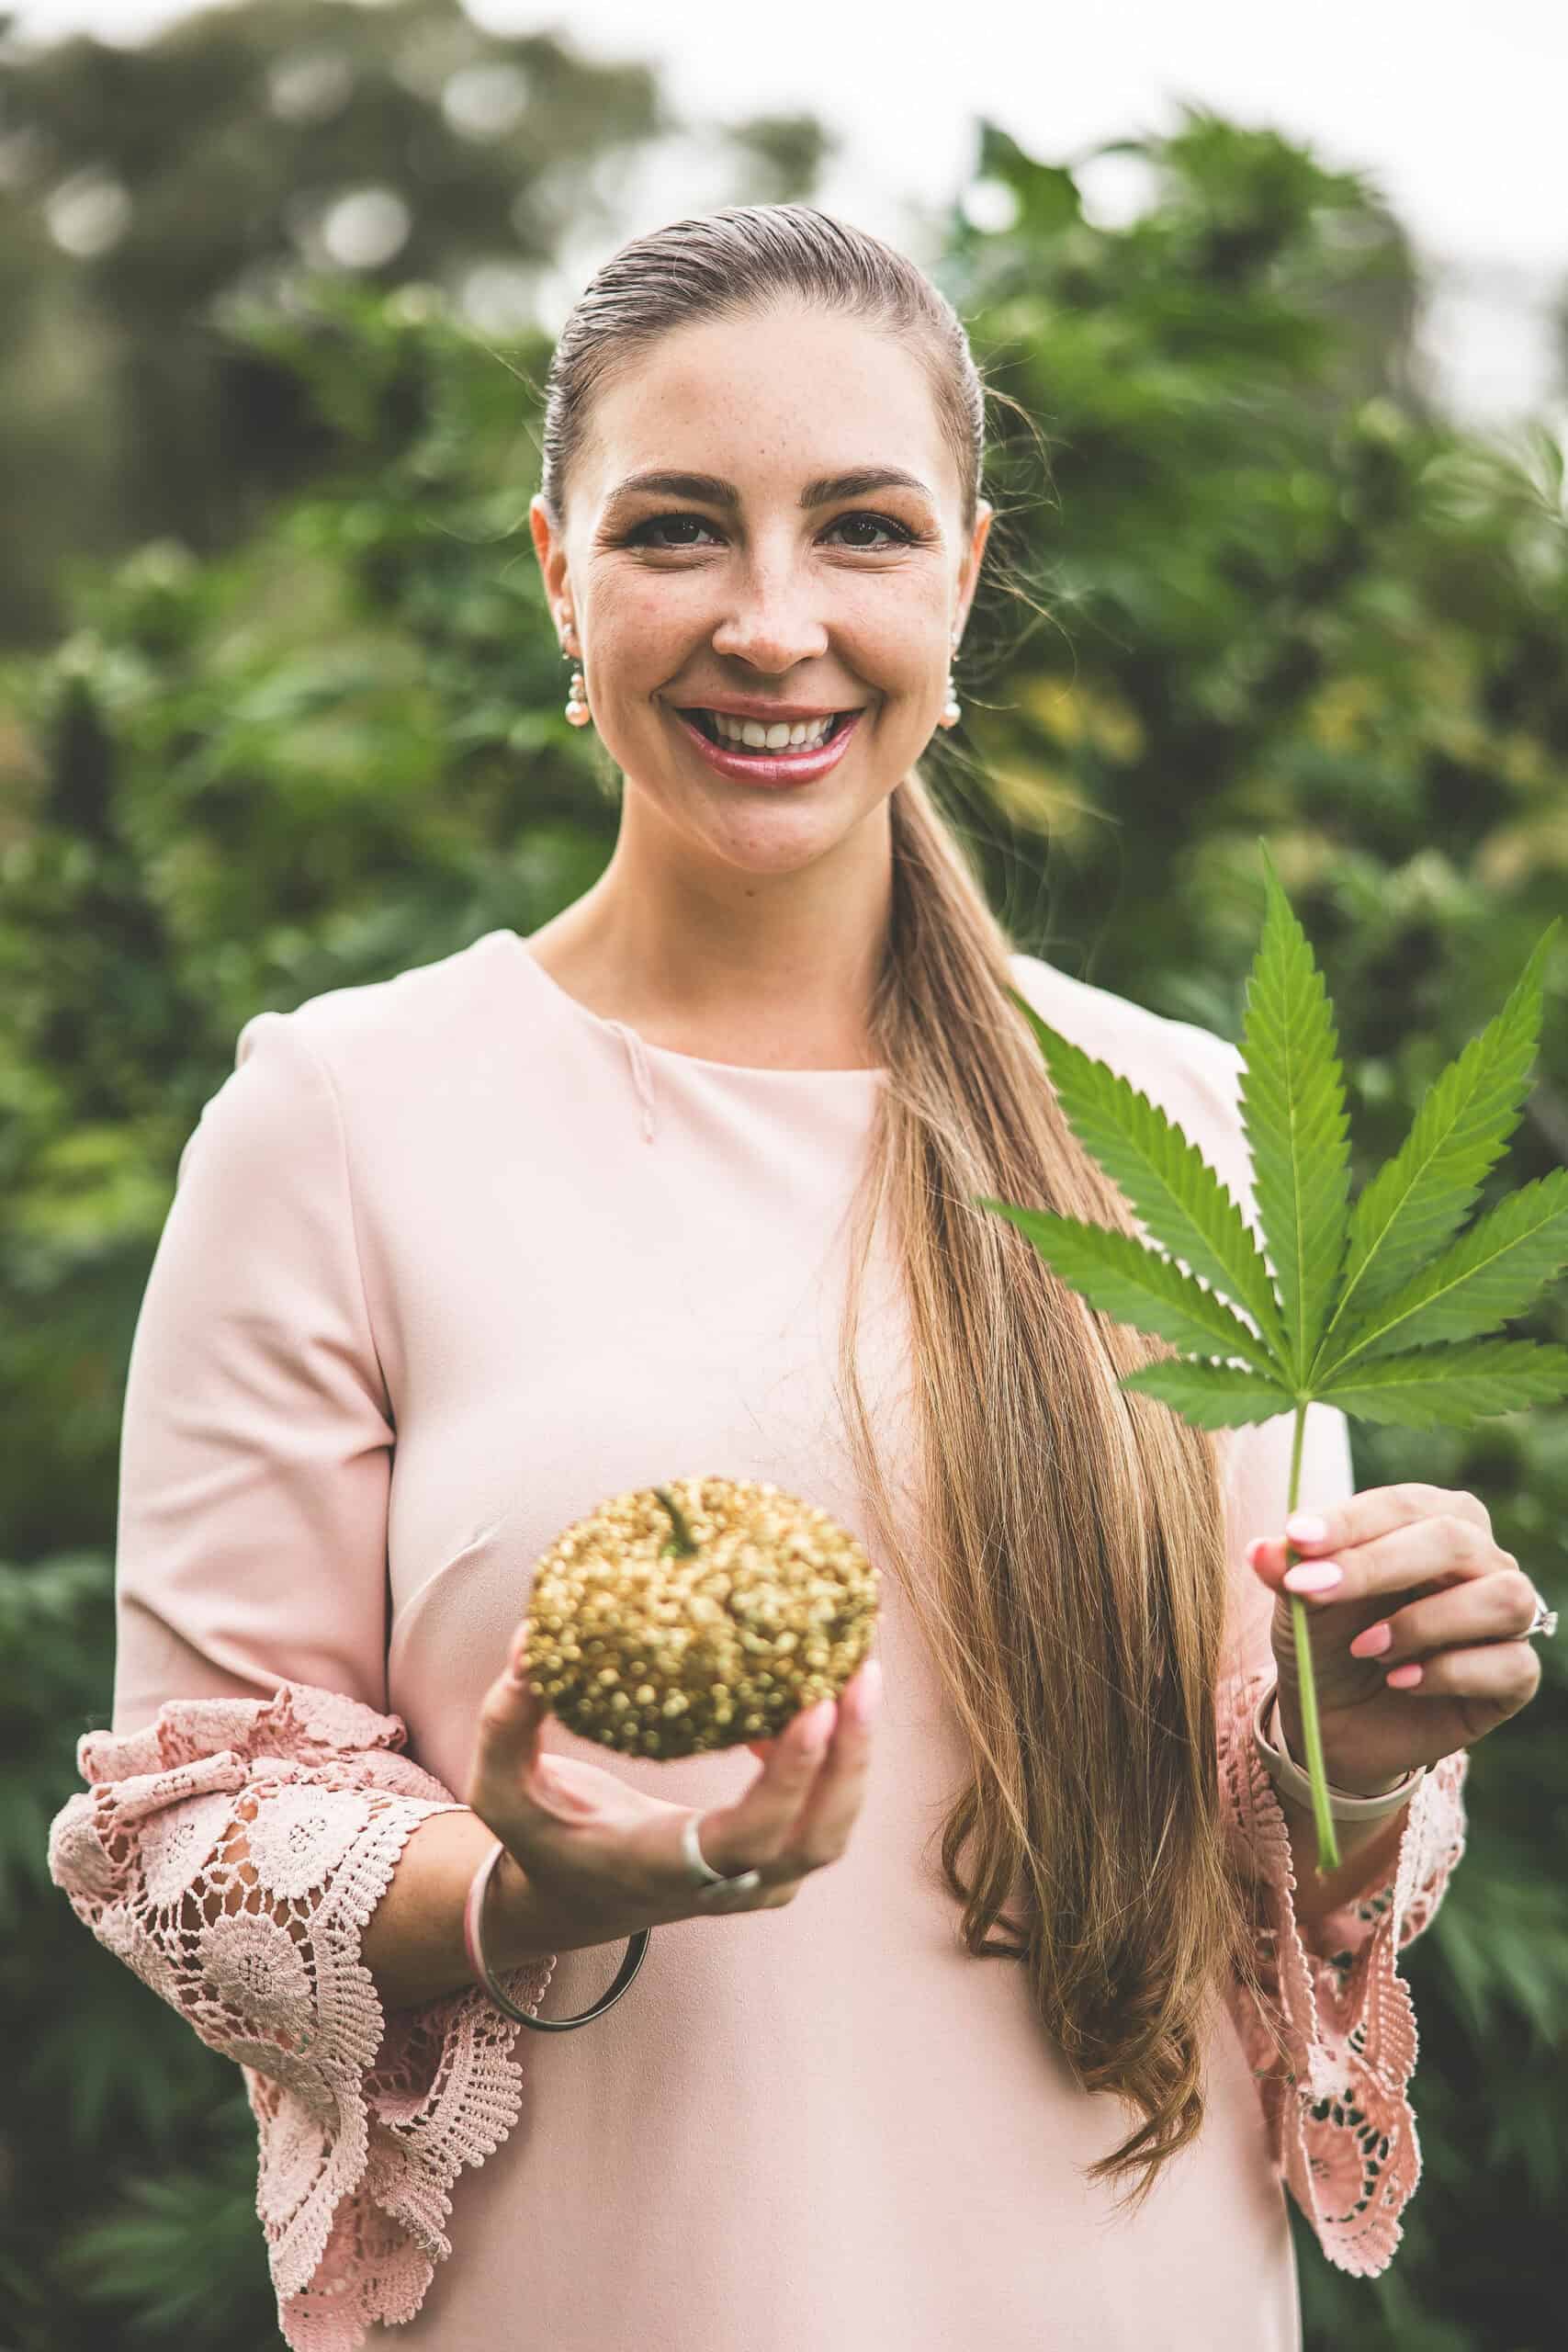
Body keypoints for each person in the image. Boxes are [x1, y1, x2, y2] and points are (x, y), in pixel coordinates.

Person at [47, 202, 1549, 2352]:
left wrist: (1366, 1735)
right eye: (676, 530)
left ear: (959, 572)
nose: (771, 622)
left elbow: (1268, 1841)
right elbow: (195, 1830)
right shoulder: (343, 1122)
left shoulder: (1177, 1121)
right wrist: (527, 1887)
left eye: (857, 529)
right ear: (559, 574)